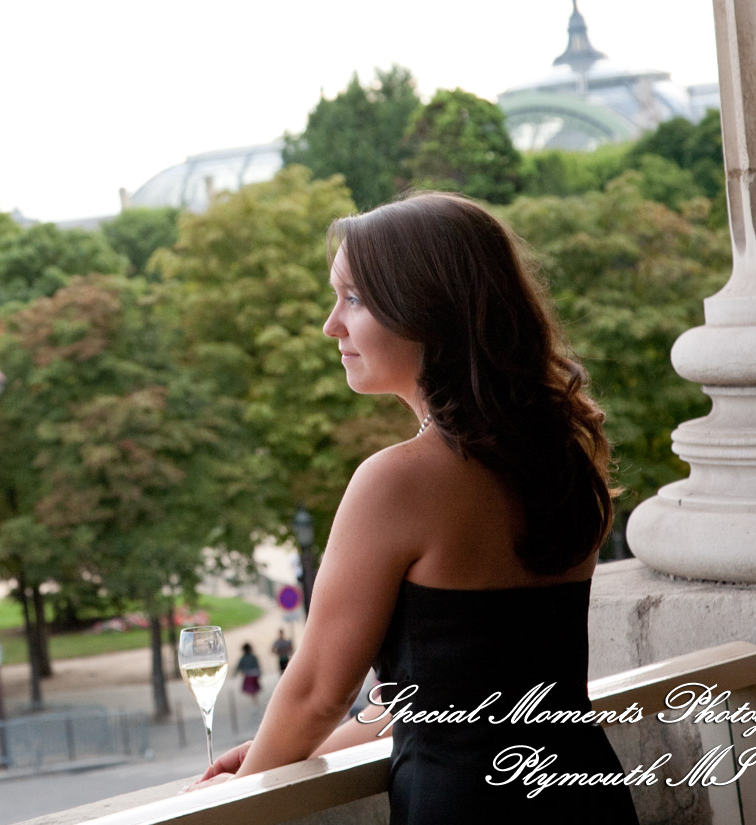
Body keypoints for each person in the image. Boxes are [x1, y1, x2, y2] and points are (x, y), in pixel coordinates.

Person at [191, 192, 638, 823]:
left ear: (427, 311)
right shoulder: (560, 453)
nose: (331, 325)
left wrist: (239, 797)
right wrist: (270, 753)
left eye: (353, 298)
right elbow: (461, 699)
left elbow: (320, 688)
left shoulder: (397, 481)